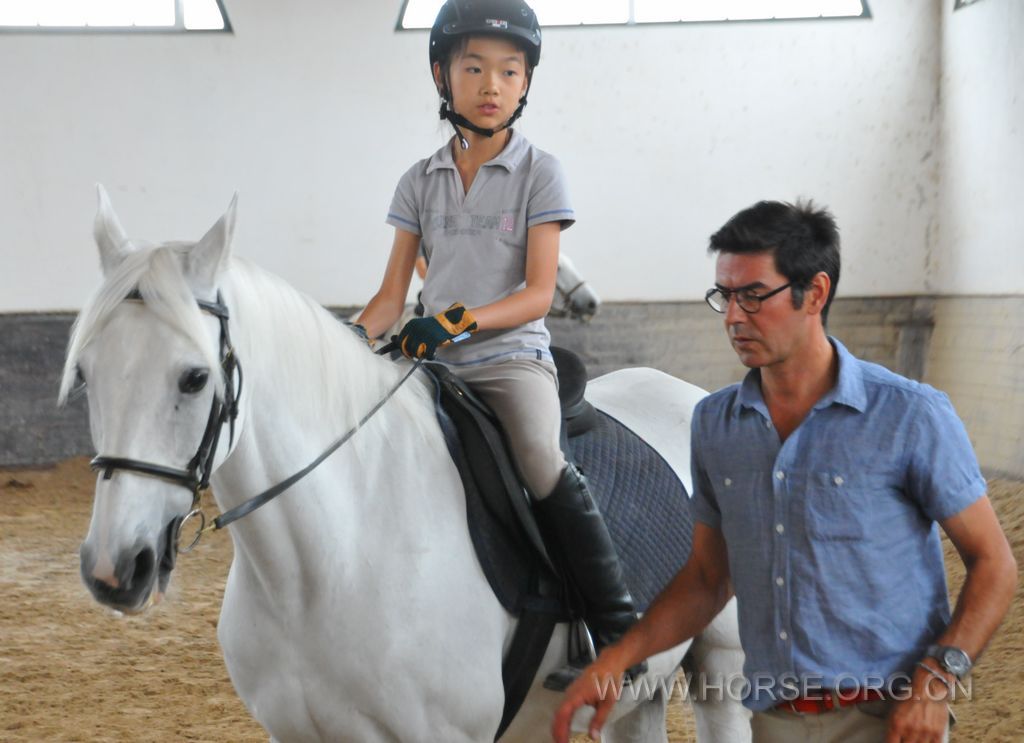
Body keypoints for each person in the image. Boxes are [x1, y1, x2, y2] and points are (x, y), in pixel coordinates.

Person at [552, 200, 1018, 742]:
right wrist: (616, 660)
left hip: (887, 721)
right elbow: (708, 577)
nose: (732, 316)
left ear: (814, 292)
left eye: (753, 295)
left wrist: (937, 679)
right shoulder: (716, 424)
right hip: (774, 720)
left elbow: (993, 563)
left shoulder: (910, 415)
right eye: (723, 296)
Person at [353, 0, 642, 688]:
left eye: (510, 71)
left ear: (525, 83)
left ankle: (616, 628)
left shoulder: (542, 171)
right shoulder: (417, 181)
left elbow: (540, 293)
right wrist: (349, 343)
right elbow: (391, 298)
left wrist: (454, 321)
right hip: (430, 365)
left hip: (511, 361)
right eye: (474, 67)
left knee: (542, 459)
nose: (491, 85)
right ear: (441, 75)